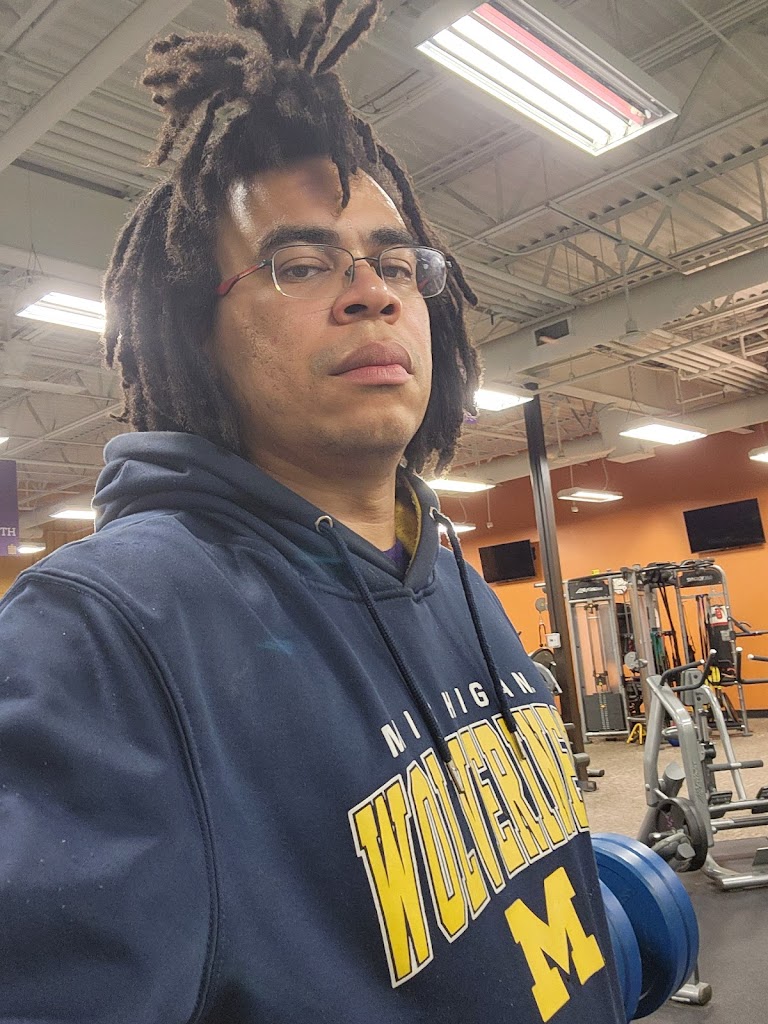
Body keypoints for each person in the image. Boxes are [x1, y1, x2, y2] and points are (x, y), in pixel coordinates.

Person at [0, 2, 626, 1021]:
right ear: (194, 333)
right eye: (301, 264)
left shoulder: (455, 583)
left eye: (396, 264)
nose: (371, 294)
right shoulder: (104, 632)